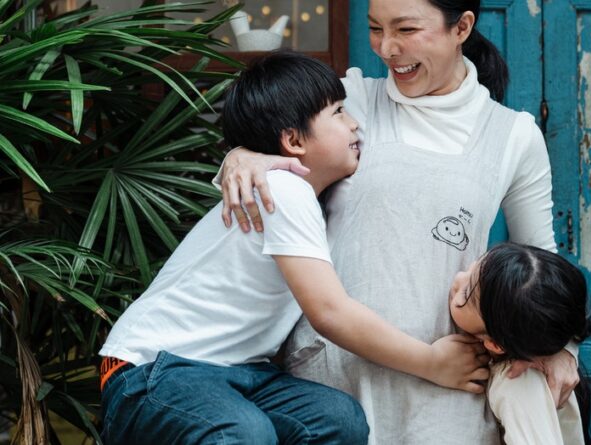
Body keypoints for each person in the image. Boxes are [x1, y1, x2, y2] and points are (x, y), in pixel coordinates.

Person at [216, 1, 580, 443]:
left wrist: (560, 350)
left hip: (446, 390)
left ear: (462, 27)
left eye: (405, 29)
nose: (387, 48)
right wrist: (241, 155)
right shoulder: (348, 101)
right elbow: (274, 142)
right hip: (332, 383)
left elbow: (540, 262)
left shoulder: (513, 135)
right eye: (375, 28)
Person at [98, 51, 488, 445]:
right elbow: (329, 313)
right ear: (294, 140)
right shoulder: (284, 191)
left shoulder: (307, 196)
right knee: (243, 433)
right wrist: (431, 362)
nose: (354, 124)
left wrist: (241, 154)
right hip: (152, 368)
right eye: (339, 113)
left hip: (237, 372)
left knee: (337, 419)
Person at [449, 243, 591, 445]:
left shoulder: (517, 382)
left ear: (495, 344)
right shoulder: (525, 360)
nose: (458, 278)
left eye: (466, 294)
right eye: (472, 268)